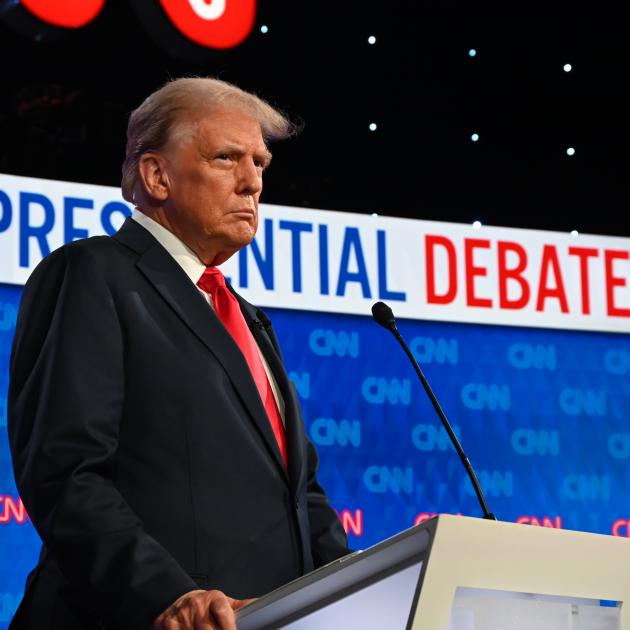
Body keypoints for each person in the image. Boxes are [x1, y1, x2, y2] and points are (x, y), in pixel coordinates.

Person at [8, 77, 349, 629]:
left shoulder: (248, 319)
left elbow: (299, 492)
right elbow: (67, 473)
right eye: (227, 158)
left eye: (260, 163)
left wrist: (355, 583)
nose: (252, 183)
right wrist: (165, 594)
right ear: (156, 175)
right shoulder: (92, 274)